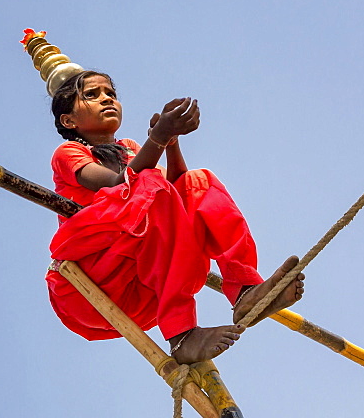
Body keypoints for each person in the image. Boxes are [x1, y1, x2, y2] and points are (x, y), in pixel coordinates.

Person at [45, 70, 305, 364]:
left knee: (200, 180)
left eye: (111, 93)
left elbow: (177, 192)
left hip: (145, 284)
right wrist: (158, 137)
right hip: (94, 281)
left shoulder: (130, 148)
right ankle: (181, 333)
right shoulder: (69, 152)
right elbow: (119, 185)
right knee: (150, 186)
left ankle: (245, 288)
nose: (106, 99)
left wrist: (171, 142)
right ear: (69, 120)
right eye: (92, 95)